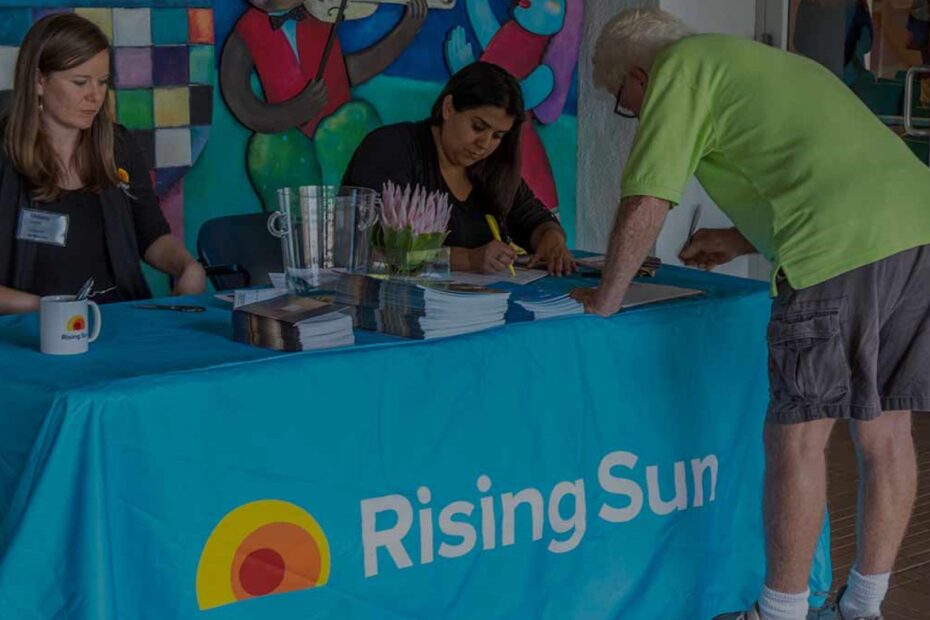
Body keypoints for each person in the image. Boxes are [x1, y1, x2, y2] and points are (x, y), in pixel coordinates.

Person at [575, 8, 930, 620]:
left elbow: (647, 199)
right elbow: (828, 166)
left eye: (622, 100)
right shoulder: (762, 64)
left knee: (797, 436)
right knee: (887, 430)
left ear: (638, 76)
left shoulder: (678, 70)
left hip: (836, 251)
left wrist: (606, 298)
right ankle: (864, 607)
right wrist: (738, 239)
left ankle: (783, 610)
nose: (631, 110)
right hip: (918, 233)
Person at [0, 13, 205, 315]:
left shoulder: (117, 145)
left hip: (118, 320)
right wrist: (50, 310)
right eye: (80, 82)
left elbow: (151, 236)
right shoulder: (4, 154)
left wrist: (187, 267)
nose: (95, 96)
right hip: (30, 329)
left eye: (102, 82)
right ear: (39, 81)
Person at [342, 61, 574, 276]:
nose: (484, 144)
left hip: (481, 312)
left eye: (497, 136)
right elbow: (362, 251)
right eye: (478, 127)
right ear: (449, 108)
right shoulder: (390, 149)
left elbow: (533, 217)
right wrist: (466, 260)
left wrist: (551, 239)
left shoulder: (491, 167)